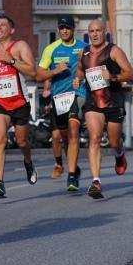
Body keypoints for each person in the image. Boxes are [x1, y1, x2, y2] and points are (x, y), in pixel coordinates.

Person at [73, 19, 133, 198]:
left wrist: (113, 76)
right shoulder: (83, 53)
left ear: (105, 31)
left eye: (98, 31)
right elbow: (79, 70)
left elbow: (131, 74)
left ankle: (119, 153)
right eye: (91, 31)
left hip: (113, 102)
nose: (94, 34)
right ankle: (96, 181)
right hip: (93, 103)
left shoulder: (114, 51)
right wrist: (78, 79)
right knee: (95, 138)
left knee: (114, 141)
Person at [0, 15, 37, 198]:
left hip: (19, 102)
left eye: (3, 25)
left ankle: (28, 161)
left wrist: (11, 60)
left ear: (11, 30)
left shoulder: (20, 46)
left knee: (21, 142)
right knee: (1, 139)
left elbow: (32, 71)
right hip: (0, 102)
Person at [36, 15, 87, 191]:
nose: (64, 30)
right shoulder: (51, 49)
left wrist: (83, 79)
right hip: (59, 98)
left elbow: (92, 68)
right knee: (63, 137)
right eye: (61, 27)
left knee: (73, 132)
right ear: (58, 30)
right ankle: (73, 167)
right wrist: (55, 71)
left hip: (78, 94)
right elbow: (39, 75)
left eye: (67, 27)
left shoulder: (83, 47)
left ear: (73, 29)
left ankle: (71, 176)